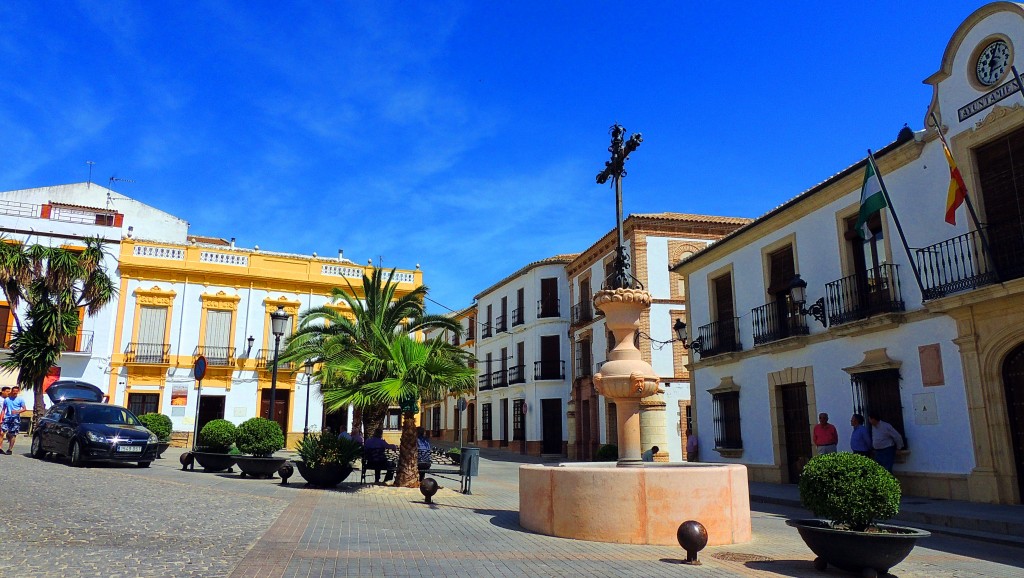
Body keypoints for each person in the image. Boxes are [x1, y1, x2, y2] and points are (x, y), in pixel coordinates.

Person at [2, 386, 26, 455]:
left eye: (16, 391)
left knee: (13, 434)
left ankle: (10, 449)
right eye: (14, 391)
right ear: (12, 391)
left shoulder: (20, 400)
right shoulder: (7, 400)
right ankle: (7, 436)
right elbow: (3, 409)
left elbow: (24, 408)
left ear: (18, 392)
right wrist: (2, 417)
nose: (15, 392)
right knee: (2, 432)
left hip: (15, 418)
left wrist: (17, 411)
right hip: (7, 417)